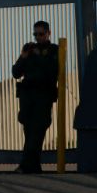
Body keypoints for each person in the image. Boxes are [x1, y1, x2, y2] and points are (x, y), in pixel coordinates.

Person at [11, 20, 59, 173]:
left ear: (48, 33)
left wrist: (40, 58)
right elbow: (16, 72)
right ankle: (34, 167)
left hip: (43, 97)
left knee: (37, 132)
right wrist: (24, 56)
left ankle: (25, 165)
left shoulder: (54, 50)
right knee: (30, 132)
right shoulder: (29, 49)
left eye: (41, 34)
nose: (38, 37)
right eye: (35, 34)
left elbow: (52, 72)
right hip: (27, 98)